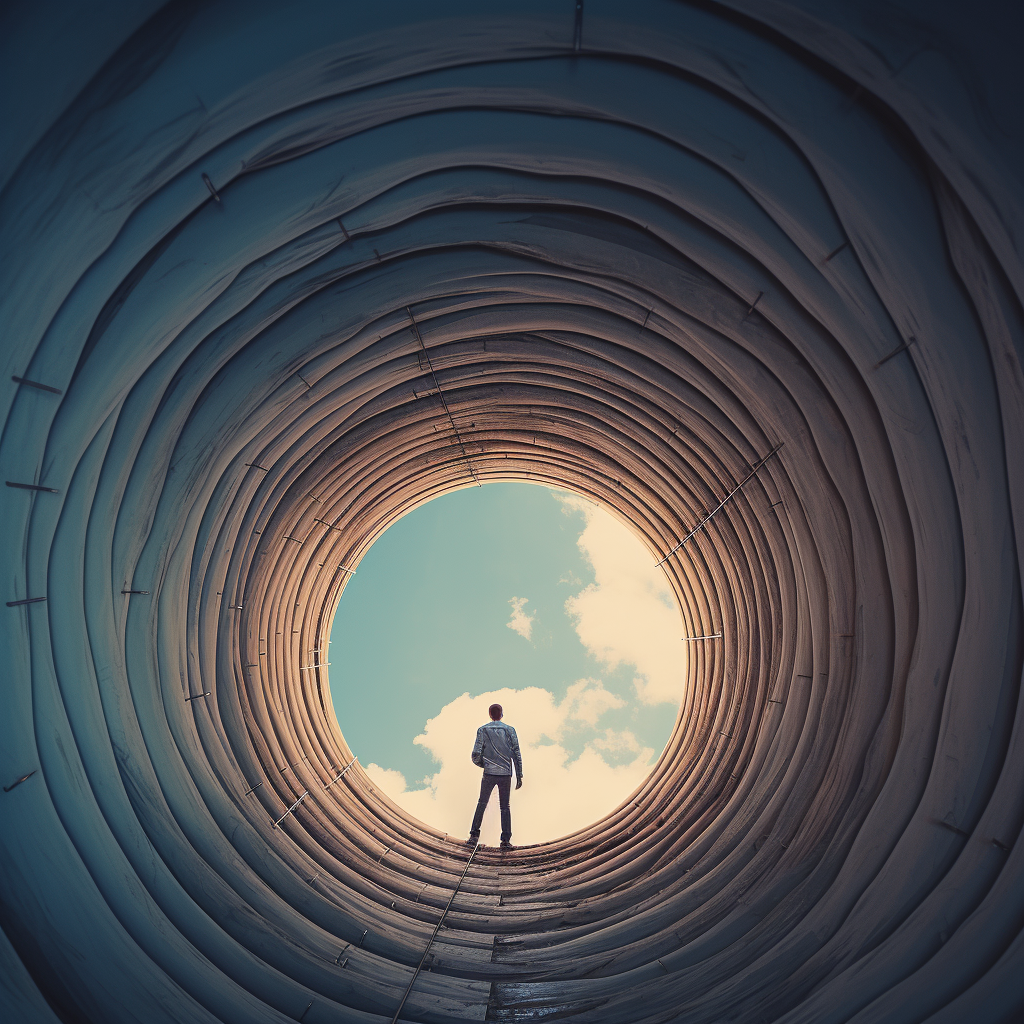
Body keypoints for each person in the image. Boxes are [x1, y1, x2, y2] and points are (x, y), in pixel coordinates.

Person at [468, 703, 523, 850]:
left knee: (482, 803)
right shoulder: (510, 730)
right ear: (502, 714)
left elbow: (475, 754)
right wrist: (519, 775)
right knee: (505, 806)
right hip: (505, 773)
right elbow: (516, 753)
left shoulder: (483, 730)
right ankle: (505, 840)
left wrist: (485, 764)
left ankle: (473, 836)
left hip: (489, 773)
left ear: (490, 715)